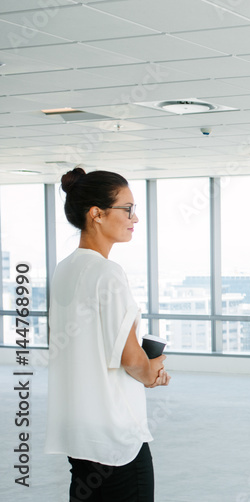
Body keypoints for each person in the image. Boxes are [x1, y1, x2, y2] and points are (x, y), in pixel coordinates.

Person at [45, 168, 171, 502]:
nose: (135, 218)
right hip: (116, 439)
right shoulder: (107, 273)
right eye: (127, 209)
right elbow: (131, 359)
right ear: (96, 214)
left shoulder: (64, 270)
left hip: (80, 432)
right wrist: (152, 371)